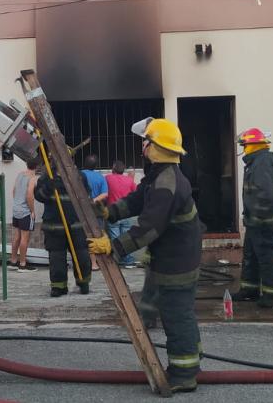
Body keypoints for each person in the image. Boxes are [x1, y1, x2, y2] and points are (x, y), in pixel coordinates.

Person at [88, 117, 204, 393]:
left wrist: (113, 247)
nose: (143, 145)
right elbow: (138, 200)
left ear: (156, 146)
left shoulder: (167, 182)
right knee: (175, 311)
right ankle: (191, 361)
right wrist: (110, 212)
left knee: (177, 315)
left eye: (147, 141)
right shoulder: (158, 175)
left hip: (178, 261)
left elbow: (150, 227)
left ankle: (184, 374)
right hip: (172, 256)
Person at [231, 127, 273, 308]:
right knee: (251, 256)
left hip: (262, 222)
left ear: (252, 145)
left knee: (267, 258)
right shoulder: (258, 161)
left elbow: (265, 193)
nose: (243, 148)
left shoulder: (262, 163)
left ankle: (272, 294)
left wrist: (258, 215)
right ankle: (250, 290)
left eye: (244, 144)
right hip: (255, 221)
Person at [34, 165, 92, 297]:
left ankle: (83, 282)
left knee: (82, 255)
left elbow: (86, 195)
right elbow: (39, 196)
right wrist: (49, 185)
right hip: (54, 225)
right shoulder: (46, 176)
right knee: (56, 258)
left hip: (76, 224)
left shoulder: (79, 175)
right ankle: (59, 286)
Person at [105, 160, 138, 268]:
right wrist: (131, 178)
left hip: (113, 212)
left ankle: (120, 259)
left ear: (112, 169)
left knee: (115, 237)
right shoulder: (129, 180)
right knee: (126, 237)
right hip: (126, 213)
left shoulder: (108, 178)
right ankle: (127, 259)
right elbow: (135, 192)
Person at [9, 158, 39, 272]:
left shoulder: (20, 174)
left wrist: (17, 203)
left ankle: (13, 262)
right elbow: (29, 196)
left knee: (16, 236)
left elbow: (14, 190)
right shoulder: (32, 178)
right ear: (37, 166)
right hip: (25, 212)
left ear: (27, 164)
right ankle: (22, 264)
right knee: (24, 238)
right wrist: (32, 211)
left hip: (16, 210)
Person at [81, 154, 108, 271]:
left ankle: (82, 263)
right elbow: (105, 194)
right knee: (97, 237)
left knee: (83, 236)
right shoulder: (100, 177)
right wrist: (94, 200)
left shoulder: (79, 175)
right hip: (96, 211)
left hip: (80, 210)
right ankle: (95, 264)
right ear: (96, 165)